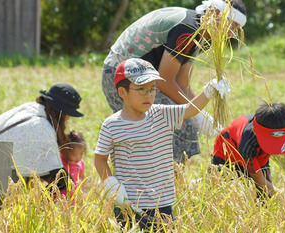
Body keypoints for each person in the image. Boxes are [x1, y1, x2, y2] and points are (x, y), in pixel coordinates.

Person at [102, 0, 247, 163]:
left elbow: (182, 82)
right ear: (216, 14)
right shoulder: (188, 29)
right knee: (180, 124)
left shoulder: (203, 34)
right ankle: (168, 180)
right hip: (121, 76)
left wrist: (200, 111)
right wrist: (196, 113)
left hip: (143, 79)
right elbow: (165, 81)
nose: (230, 34)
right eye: (231, 25)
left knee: (184, 120)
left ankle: (170, 181)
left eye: (235, 29)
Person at [95, 58, 230, 231]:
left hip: (163, 201)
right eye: (141, 89)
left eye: (152, 89)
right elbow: (100, 159)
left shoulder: (161, 114)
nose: (148, 95)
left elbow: (190, 109)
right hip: (129, 202)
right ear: (122, 92)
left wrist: (209, 91)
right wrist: (112, 186)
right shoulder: (112, 125)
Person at [0, 83, 84, 193]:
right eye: (67, 115)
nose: (68, 118)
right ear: (61, 112)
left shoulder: (29, 109)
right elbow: (62, 180)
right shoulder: (41, 127)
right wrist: (40, 202)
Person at [211, 102, 285, 197]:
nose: (273, 147)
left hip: (259, 155)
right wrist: (282, 196)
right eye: (269, 143)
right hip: (227, 158)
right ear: (255, 131)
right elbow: (260, 181)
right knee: (224, 195)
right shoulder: (247, 143)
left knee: (264, 199)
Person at [60, 130, 86, 197]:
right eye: (74, 154)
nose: (78, 157)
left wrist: (82, 189)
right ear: (64, 151)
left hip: (74, 196)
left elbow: (82, 176)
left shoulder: (80, 164)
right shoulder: (60, 162)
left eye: (81, 154)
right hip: (61, 196)